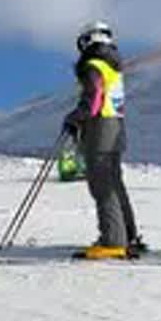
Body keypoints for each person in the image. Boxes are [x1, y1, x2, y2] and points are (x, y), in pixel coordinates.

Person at [62, 20, 144, 259]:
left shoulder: (94, 64)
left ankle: (112, 240)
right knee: (115, 184)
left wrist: (76, 117)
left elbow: (94, 98)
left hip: (100, 129)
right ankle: (127, 235)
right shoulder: (113, 66)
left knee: (102, 185)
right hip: (115, 126)